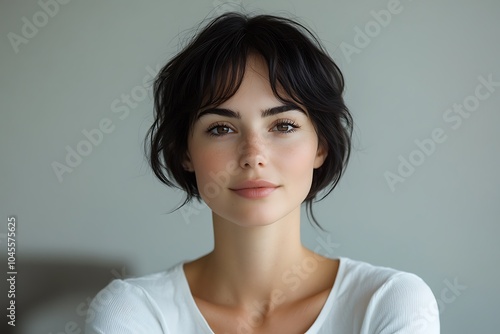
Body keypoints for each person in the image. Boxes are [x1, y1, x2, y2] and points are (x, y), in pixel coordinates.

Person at [85, 12, 440, 334]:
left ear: (321, 146)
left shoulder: (389, 303)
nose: (253, 156)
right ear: (184, 153)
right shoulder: (132, 312)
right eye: (221, 128)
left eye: (283, 125)